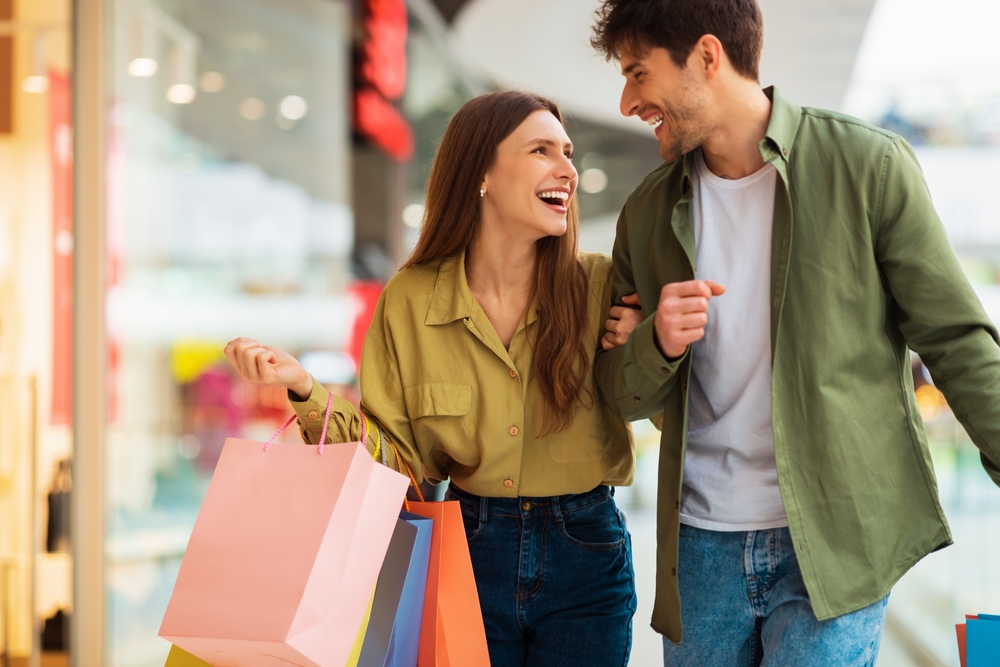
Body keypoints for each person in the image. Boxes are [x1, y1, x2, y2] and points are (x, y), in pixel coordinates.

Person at [589, 1, 1000, 665]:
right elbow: (619, 395)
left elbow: (957, 340)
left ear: (707, 56)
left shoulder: (868, 166)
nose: (628, 99)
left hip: (836, 542)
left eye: (639, 73)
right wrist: (656, 342)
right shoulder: (646, 212)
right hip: (700, 551)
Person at [226, 90, 645, 667]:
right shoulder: (410, 298)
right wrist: (306, 390)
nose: (568, 170)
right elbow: (397, 465)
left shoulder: (602, 287)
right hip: (466, 550)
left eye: (567, 152)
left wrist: (657, 343)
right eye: (541, 150)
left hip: (586, 553)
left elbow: (669, 408)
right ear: (482, 174)